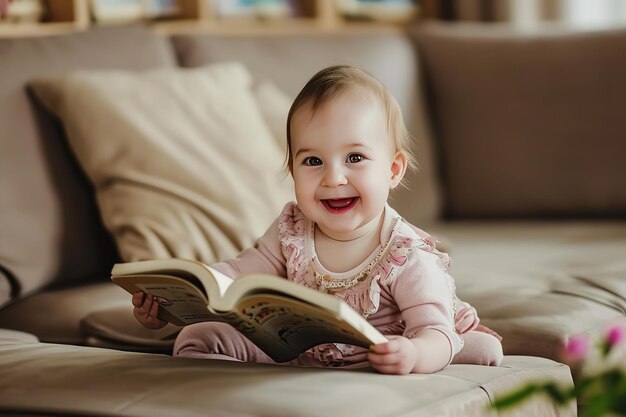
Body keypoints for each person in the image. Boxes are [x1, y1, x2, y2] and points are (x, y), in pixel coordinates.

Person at [132, 65, 503, 374]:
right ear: (292, 171)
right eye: (313, 161)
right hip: (299, 351)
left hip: (379, 353)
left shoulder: (406, 254)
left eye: (354, 158)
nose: (333, 178)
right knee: (197, 336)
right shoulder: (292, 230)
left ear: (393, 170)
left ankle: (467, 342)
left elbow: (431, 330)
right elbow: (236, 274)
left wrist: (415, 354)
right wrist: (175, 299)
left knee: (470, 348)